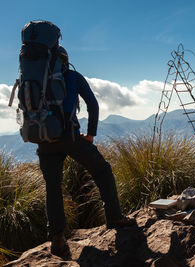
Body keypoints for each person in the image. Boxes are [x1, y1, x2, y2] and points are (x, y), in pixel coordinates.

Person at [37, 46, 135, 257]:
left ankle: (57, 239)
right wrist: (90, 134)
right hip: (70, 137)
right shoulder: (71, 76)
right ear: (64, 60)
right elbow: (93, 104)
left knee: (52, 188)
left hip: (44, 141)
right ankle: (115, 217)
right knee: (102, 170)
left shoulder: (35, 78)